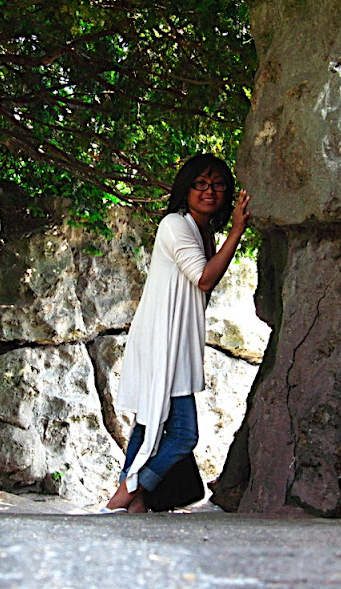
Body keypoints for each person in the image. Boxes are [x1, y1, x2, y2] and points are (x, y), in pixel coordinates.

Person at [101, 154, 250, 514]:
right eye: (201, 183)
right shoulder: (174, 224)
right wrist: (237, 231)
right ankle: (129, 490)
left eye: (217, 185)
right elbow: (204, 278)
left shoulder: (203, 232)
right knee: (184, 434)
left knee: (148, 424)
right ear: (186, 190)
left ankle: (132, 501)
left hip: (177, 340)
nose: (209, 191)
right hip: (161, 340)